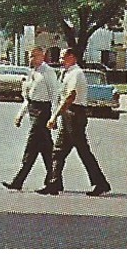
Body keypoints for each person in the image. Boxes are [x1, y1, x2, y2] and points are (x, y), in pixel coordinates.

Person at [41, 48, 109, 196]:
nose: (61, 60)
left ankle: (100, 183)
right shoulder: (67, 73)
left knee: (82, 151)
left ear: (73, 57)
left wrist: (54, 116)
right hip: (68, 114)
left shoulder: (76, 73)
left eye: (63, 57)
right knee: (58, 151)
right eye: (60, 57)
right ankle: (54, 183)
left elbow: (70, 96)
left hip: (74, 114)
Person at [2, 47, 60, 191]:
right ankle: (54, 180)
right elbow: (29, 97)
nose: (31, 59)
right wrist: (20, 115)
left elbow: (54, 96)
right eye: (30, 56)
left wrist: (54, 117)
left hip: (43, 111)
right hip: (33, 109)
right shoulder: (32, 73)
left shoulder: (48, 72)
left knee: (31, 144)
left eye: (34, 56)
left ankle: (19, 180)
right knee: (44, 149)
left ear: (42, 56)